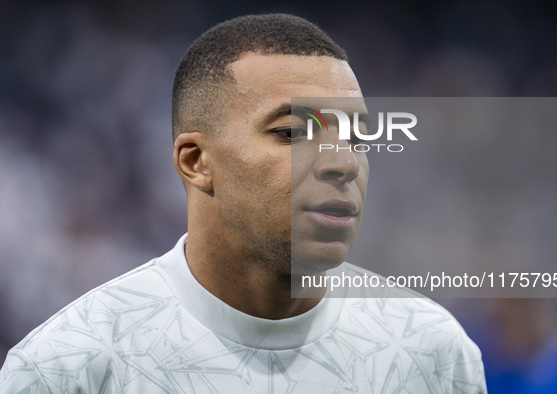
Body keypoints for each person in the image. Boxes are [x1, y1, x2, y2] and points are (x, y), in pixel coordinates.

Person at [0, 14, 487, 393]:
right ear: (196, 161)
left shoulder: (433, 352)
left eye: (359, 138)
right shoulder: (67, 369)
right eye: (293, 132)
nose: (344, 163)